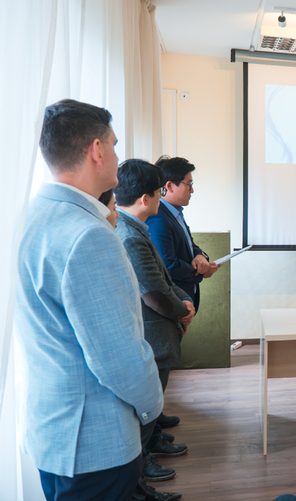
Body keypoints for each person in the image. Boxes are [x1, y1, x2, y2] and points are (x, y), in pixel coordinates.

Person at [14, 99, 168, 501]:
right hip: (95, 443)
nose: (117, 155)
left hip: (53, 430)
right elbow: (119, 356)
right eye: (114, 145)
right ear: (97, 150)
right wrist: (152, 406)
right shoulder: (89, 235)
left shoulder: (34, 214)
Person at [115, 159, 197, 483]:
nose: (161, 198)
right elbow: (154, 292)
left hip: (157, 330)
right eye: (158, 192)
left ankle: (149, 448)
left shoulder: (135, 227)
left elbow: (162, 278)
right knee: (146, 407)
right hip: (152, 333)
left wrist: (184, 300)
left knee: (153, 403)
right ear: (146, 198)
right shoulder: (130, 235)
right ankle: (142, 468)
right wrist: (182, 310)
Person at [146, 155, 217, 429]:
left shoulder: (175, 213)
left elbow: (190, 246)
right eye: (188, 183)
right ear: (169, 186)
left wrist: (200, 256)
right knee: (159, 367)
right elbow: (168, 266)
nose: (192, 189)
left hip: (181, 298)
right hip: (170, 304)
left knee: (165, 367)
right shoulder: (159, 219)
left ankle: (157, 415)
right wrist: (200, 272)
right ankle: (153, 426)